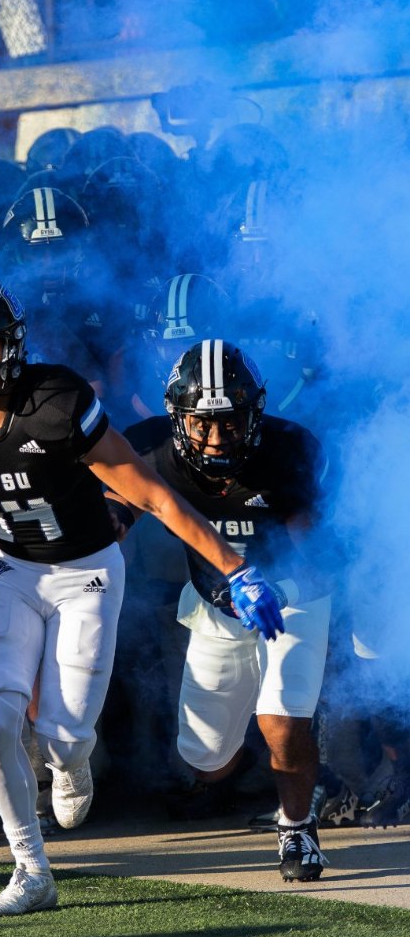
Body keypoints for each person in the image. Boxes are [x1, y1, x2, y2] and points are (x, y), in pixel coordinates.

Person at [0, 277, 284, 918]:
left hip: (86, 571)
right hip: (8, 565)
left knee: (68, 735)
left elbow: (150, 493)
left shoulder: (55, 401)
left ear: (11, 346)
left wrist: (234, 567)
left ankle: (69, 759)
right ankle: (31, 868)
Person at [117, 339, 330, 881]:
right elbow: (110, 521)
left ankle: (297, 826)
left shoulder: (288, 450)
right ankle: (286, 768)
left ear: (255, 413)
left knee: (280, 718)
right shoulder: (147, 449)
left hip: (291, 598)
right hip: (215, 604)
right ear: (176, 417)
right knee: (204, 759)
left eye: (231, 423)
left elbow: (322, 559)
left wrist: (277, 591)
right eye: (202, 424)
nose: (215, 439)